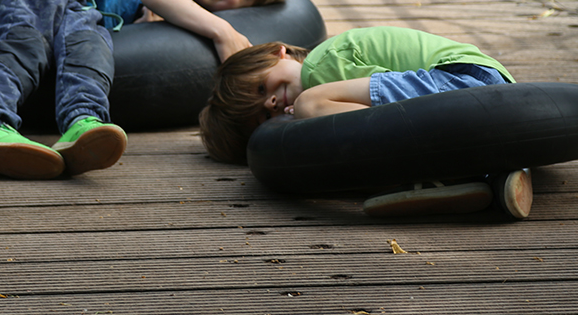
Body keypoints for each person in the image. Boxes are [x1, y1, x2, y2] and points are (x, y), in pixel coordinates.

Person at [0, 0, 292, 180]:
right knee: (28, 36)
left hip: (83, 1)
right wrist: (223, 31)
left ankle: (82, 124)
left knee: (91, 48)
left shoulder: (186, 1)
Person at [198, 26, 533, 219]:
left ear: (277, 53)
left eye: (261, 87)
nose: (272, 102)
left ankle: (429, 180)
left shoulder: (319, 65)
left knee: (311, 106)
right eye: (264, 116)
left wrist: (307, 112)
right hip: (485, 100)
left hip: (461, 80)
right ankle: (497, 179)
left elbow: (394, 103)